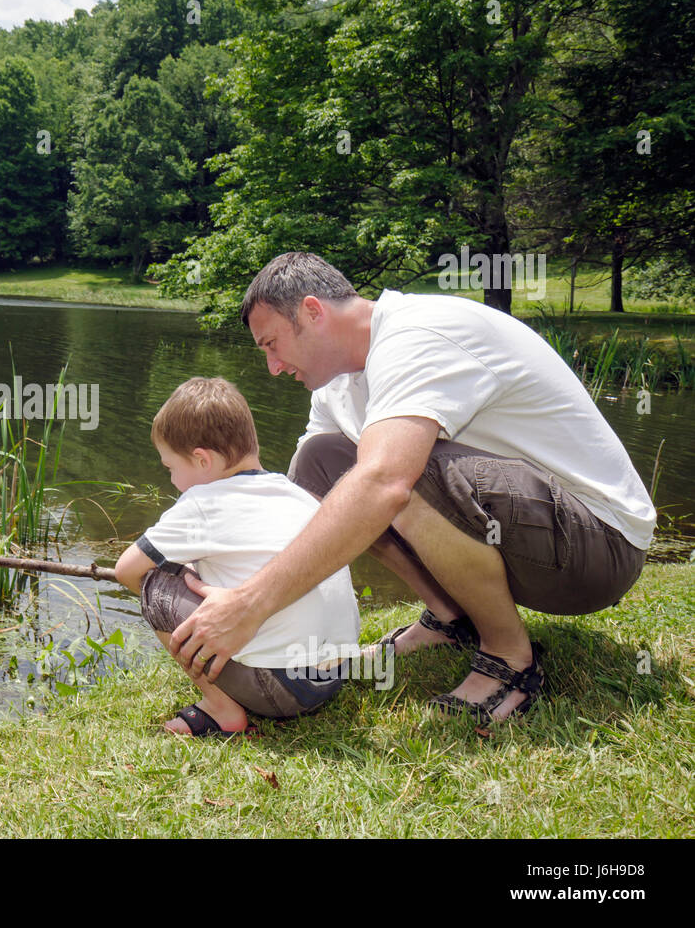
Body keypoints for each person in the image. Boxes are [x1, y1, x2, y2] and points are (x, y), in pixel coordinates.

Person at [169, 252, 654, 725]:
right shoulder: (335, 388)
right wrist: (210, 557)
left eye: (271, 343)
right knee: (321, 461)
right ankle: (450, 618)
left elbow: (385, 481)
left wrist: (254, 604)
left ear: (313, 312)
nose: (272, 367)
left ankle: (510, 659)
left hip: (598, 546)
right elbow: (300, 504)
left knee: (398, 470)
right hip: (531, 537)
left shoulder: (416, 335)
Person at [114, 376, 360, 736]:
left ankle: (222, 709)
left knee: (156, 585)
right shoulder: (297, 495)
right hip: (333, 679)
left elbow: (125, 570)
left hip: (281, 691)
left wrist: (183, 577)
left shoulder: (202, 502)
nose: (172, 481)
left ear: (201, 460)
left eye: (171, 469)